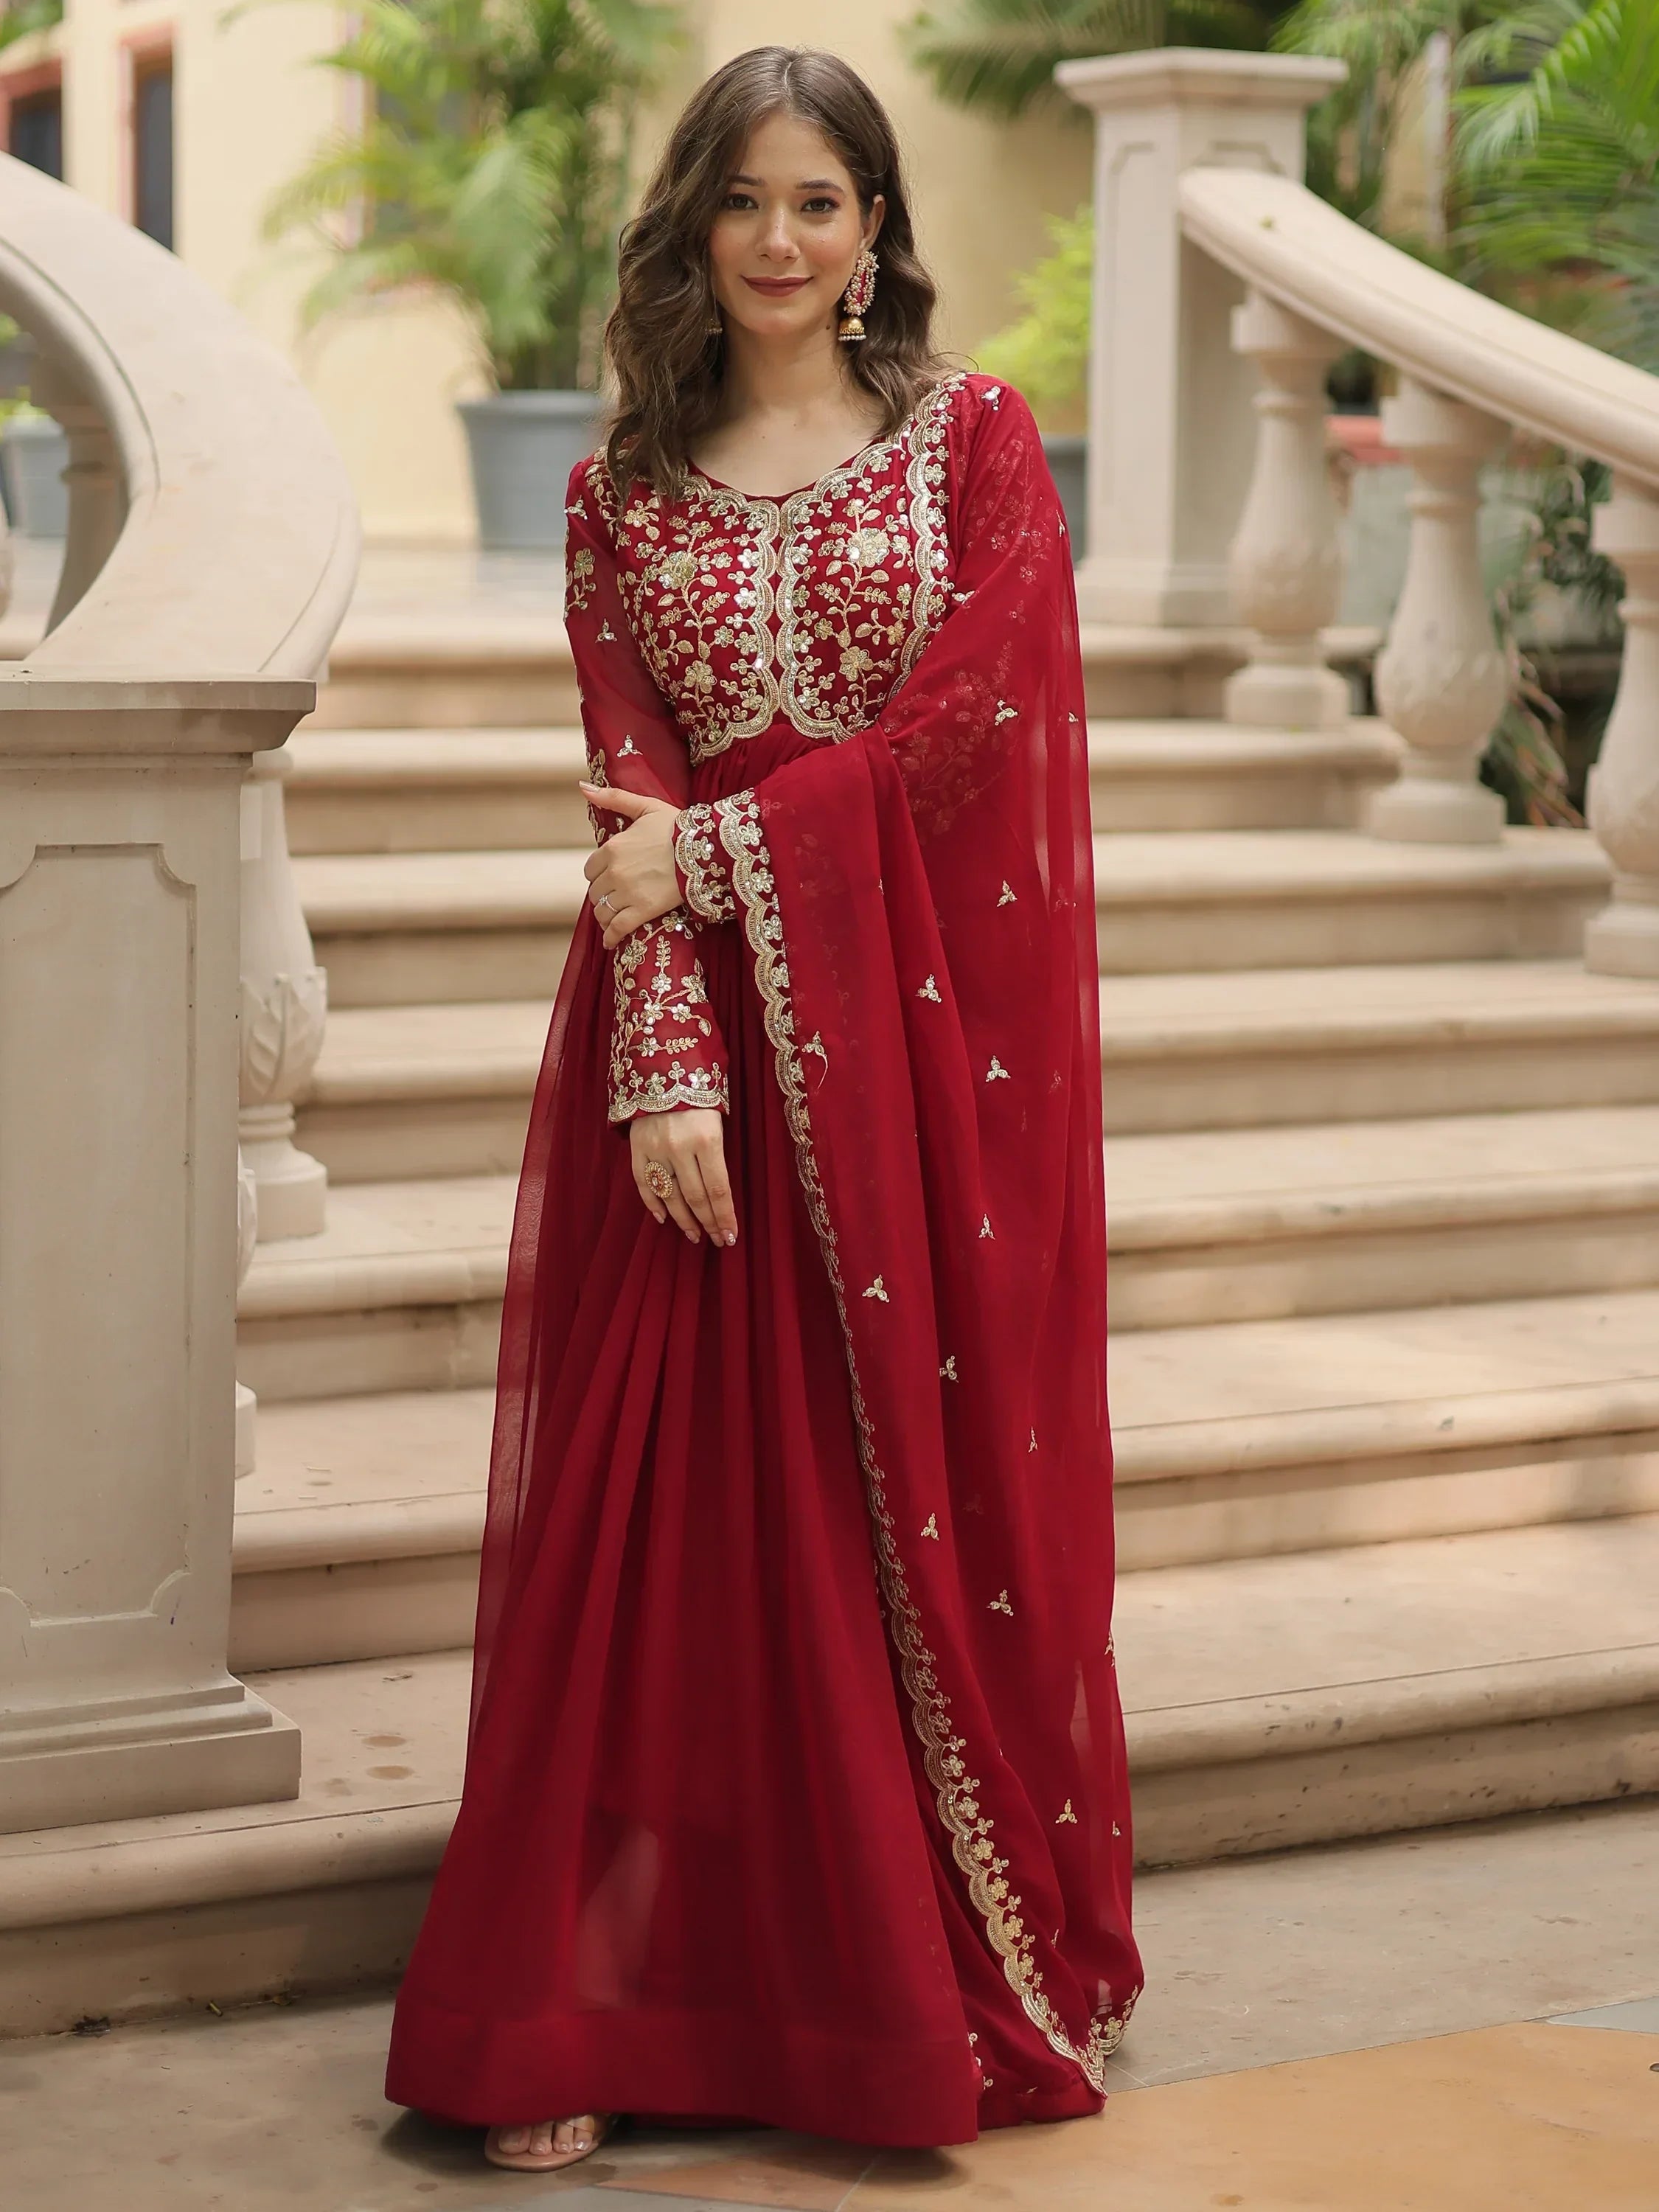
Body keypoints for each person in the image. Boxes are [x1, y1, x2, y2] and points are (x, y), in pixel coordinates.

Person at [384, 43, 1142, 2175]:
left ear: (876, 227)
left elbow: (971, 724)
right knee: (660, 1536)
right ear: (692, 225)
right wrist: (664, 1066)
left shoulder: (971, 446)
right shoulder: (620, 492)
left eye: (821, 201)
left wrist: (714, 858)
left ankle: (886, 1986)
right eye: (745, 200)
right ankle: (590, 1995)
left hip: (914, 1044)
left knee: (897, 1505)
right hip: (700, 1054)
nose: (782, 241)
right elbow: (621, 797)